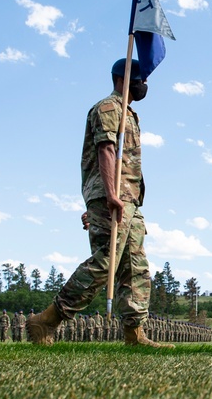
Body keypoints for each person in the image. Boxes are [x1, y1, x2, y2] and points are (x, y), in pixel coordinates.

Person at [26, 58, 171, 349]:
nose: (145, 85)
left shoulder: (129, 114)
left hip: (128, 200)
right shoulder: (108, 108)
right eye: (141, 78)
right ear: (125, 78)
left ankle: (134, 333)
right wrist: (109, 196)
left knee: (135, 267)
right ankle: (47, 320)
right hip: (114, 198)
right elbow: (105, 151)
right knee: (107, 261)